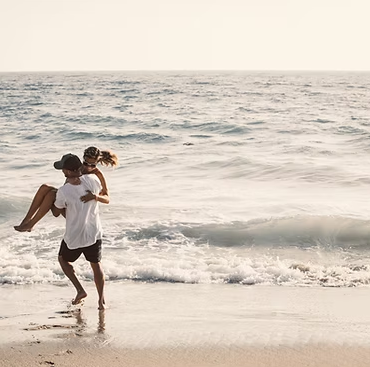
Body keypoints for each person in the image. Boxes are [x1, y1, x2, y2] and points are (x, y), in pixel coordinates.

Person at [14, 146, 118, 232]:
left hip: (76, 211)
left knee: (51, 194)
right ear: (83, 159)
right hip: (66, 202)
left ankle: (31, 224)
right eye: (86, 163)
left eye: (92, 165)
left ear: (97, 162)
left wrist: (95, 197)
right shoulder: (78, 168)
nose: (88, 167)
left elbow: (107, 199)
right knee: (44, 187)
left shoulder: (98, 175)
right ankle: (27, 220)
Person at [52, 153, 108, 310]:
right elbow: (104, 194)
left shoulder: (63, 191)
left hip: (75, 236)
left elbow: (57, 212)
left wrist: (51, 200)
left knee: (63, 259)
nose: (62, 171)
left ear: (68, 172)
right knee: (96, 265)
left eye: (63, 169)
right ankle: (101, 302)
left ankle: (80, 290)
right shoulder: (93, 181)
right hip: (93, 233)